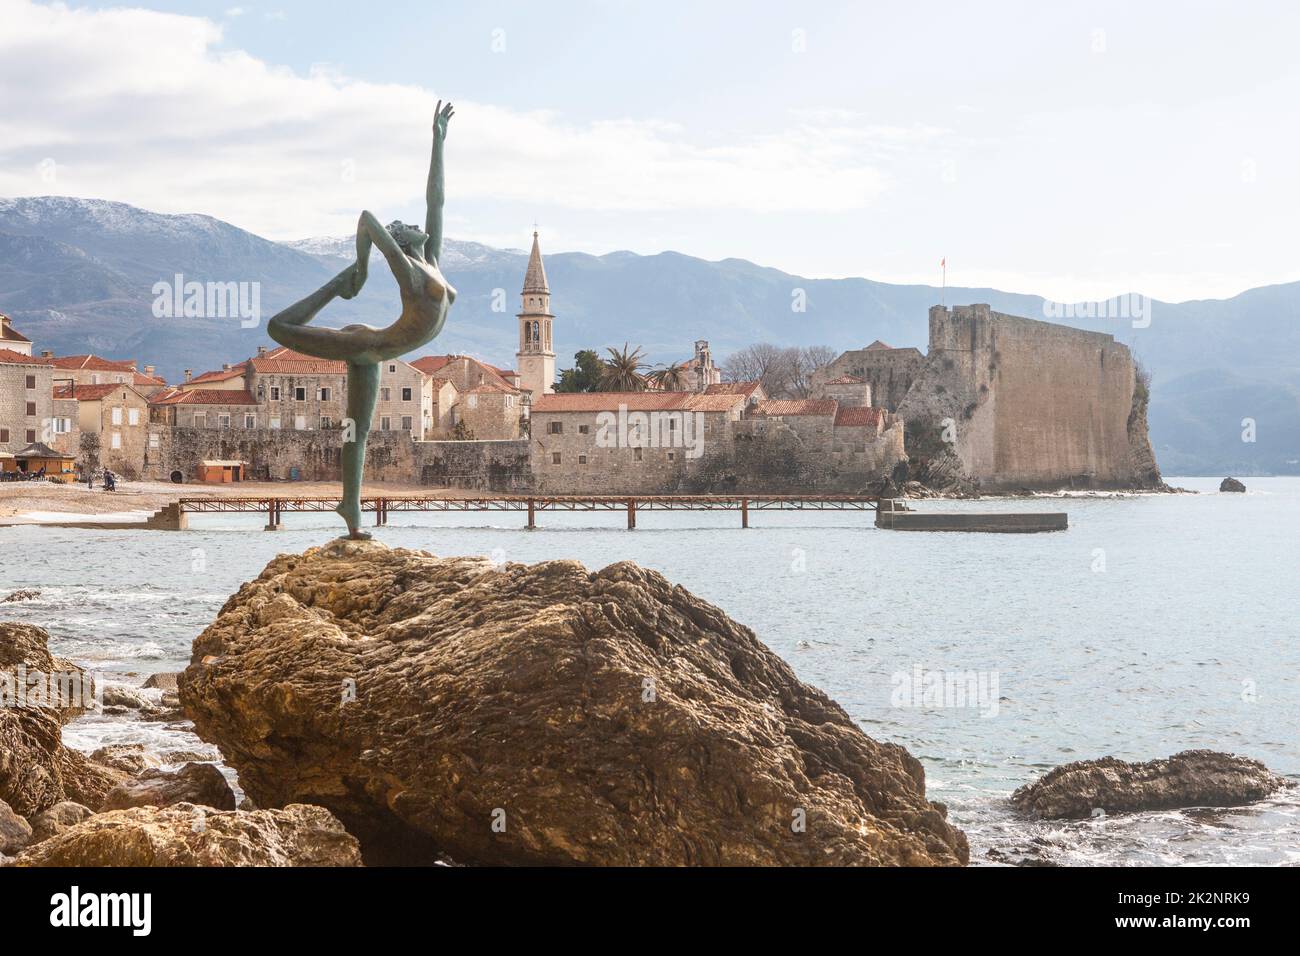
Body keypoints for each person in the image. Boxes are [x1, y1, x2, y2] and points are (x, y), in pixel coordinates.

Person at [265, 101, 457, 539]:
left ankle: (350, 508)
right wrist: (361, 268)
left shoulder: (431, 261)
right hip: (363, 345)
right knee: (279, 329)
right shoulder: (410, 272)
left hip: (372, 353)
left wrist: (438, 139)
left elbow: (437, 198)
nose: (415, 223)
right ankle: (335, 285)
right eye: (405, 225)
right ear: (403, 240)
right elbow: (368, 219)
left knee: (358, 430)